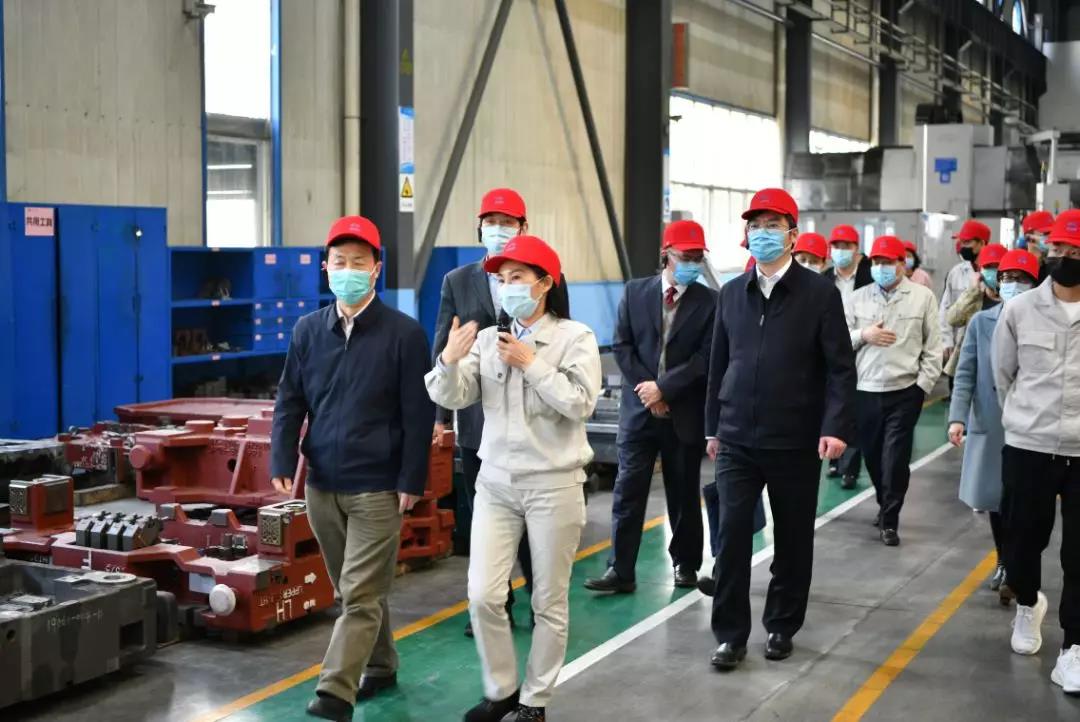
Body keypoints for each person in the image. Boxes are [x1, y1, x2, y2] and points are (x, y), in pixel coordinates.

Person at [426, 235, 601, 722]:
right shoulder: (488, 340)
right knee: (484, 594)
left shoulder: (575, 337)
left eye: (517, 277)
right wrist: (448, 360)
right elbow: (454, 396)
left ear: (544, 283)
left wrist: (532, 363)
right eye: (501, 279)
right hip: (496, 483)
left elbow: (580, 403)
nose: (507, 287)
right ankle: (502, 688)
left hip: (553, 484)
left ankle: (534, 701)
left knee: (548, 600)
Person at [270, 215, 434, 722]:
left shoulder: (404, 334)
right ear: (325, 268)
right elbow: (289, 400)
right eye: (338, 262)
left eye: (358, 262)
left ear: (376, 268)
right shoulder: (308, 331)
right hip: (322, 485)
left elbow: (418, 414)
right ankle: (380, 663)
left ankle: (335, 691)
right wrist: (282, 457)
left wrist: (411, 479)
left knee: (360, 594)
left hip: (377, 487)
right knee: (353, 588)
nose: (347, 270)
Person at [704, 188, 857, 671]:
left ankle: (781, 625)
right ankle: (730, 635)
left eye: (772, 226)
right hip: (737, 439)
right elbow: (718, 365)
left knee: (792, 539)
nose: (762, 234)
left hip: (795, 439)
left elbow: (840, 368)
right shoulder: (732, 294)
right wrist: (712, 428)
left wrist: (834, 426)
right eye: (756, 226)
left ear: (793, 235)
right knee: (731, 537)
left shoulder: (819, 294)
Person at [584, 220, 715, 595]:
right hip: (639, 412)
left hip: (682, 412)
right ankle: (620, 569)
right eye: (685, 256)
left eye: (697, 257)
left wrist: (665, 390)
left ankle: (686, 564)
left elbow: (705, 357)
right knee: (628, 490)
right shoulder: (635, 292)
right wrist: (648, 391)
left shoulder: (710, 302)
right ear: (665, 255)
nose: (691, 263)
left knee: (683, 492)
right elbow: (622, 345)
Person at [432, 187, 534, 636]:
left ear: (523, 227)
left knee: (531, 518)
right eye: (490, 223)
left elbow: (558, 334)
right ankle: (496, 605)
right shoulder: (457, 281)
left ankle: (542, 599)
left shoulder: (543, 275)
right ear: (479, 228)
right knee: (484, 519)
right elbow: (444, 347)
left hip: (530, 416)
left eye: (506, 223)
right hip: (477, 418)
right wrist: (441, 417)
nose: (498, 230)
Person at [993, 208, 1080, 694]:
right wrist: (1027, 420)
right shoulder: (1020, 310)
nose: (1064, 257)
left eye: (1074, 250)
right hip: (1030, 445)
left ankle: (1074, 648)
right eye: (1057, 248)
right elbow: (1003, 376)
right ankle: (1028, 603)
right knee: (1022, 540)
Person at [947, 249, 1039, 604]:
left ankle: (1018, 564)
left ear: (1035, 284)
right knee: (997, 500)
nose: (1012, 284)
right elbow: (965, 372)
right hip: (990, 422)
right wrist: (957, 417)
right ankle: (1005, 561)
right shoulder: (981, 322)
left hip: (1033, 427)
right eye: (1006, 278)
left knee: (1024, 503)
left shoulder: (1045, 323)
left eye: (1020, 279)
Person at [846, 236, 942, 547]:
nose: (881, 267)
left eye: (888, 262)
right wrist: (864, 334)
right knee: (873, 456)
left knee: (895, 459)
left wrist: (922, 387)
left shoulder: (922, 298)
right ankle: (883, 499)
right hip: (866, 390)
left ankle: (890, 519)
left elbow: (933, 346)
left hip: (905, 390)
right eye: (877, 262)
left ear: (903, 264)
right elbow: (839, 340)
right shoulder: (856, 299)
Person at [823, 224, 872, 490]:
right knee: (830, 404)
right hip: (827, 348)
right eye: (836, 246)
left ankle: (850, 467)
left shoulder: (869, 277)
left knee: (852, 409)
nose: (840, 251)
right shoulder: (823, 279)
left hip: (860, 349)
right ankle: (833, 458)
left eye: (846, 246)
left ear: (857, 250)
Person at [943, 243, 1005, 379]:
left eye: (997, 266)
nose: (993, 271)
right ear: (980, 270)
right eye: (988, 267)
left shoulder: (1010, 300)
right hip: (973, 366)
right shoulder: (975, 298)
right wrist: (972, 290)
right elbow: (952, 319)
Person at [940, 220, 989, 371]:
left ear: (982, 243)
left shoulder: (994, 272)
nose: (962, 247)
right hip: (959, 346)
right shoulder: (956, 272)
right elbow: (945, 307)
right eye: (961, 242)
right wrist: (946, 340)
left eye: (967, 242)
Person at [1017, 209, 1054, 280]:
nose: (1050, 237)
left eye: (1053, 233)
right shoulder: (1021, 268)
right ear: (1028, 238)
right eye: (1046, 233)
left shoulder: (1053, 265)